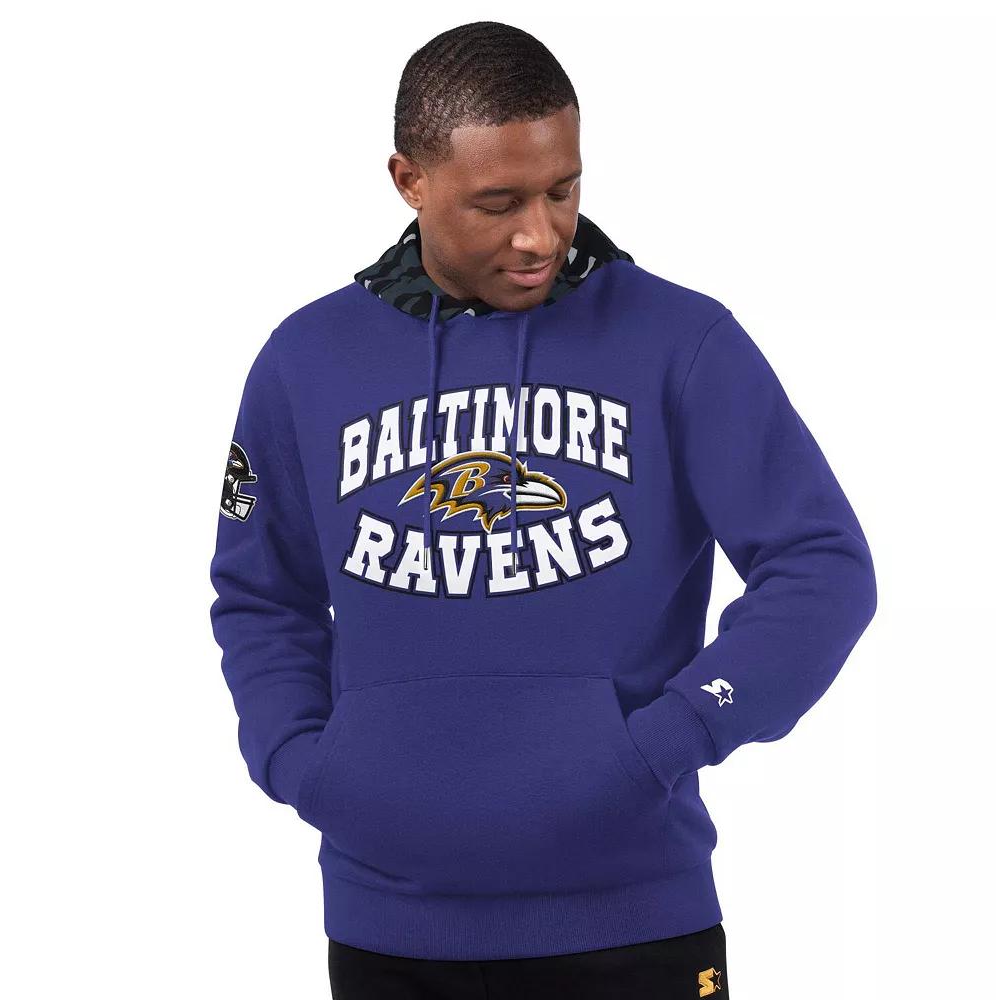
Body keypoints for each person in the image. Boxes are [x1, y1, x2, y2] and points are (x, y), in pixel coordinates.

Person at [209, 20, 876, 998]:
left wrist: (679, 734)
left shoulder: (679, 340)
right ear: (409, 181)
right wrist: (301, 761)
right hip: (388, 922)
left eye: (562, 190)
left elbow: (822, 567)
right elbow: (261, 593)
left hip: (635, 914)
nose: (540, 234)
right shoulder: (306, 361)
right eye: (499, 202)